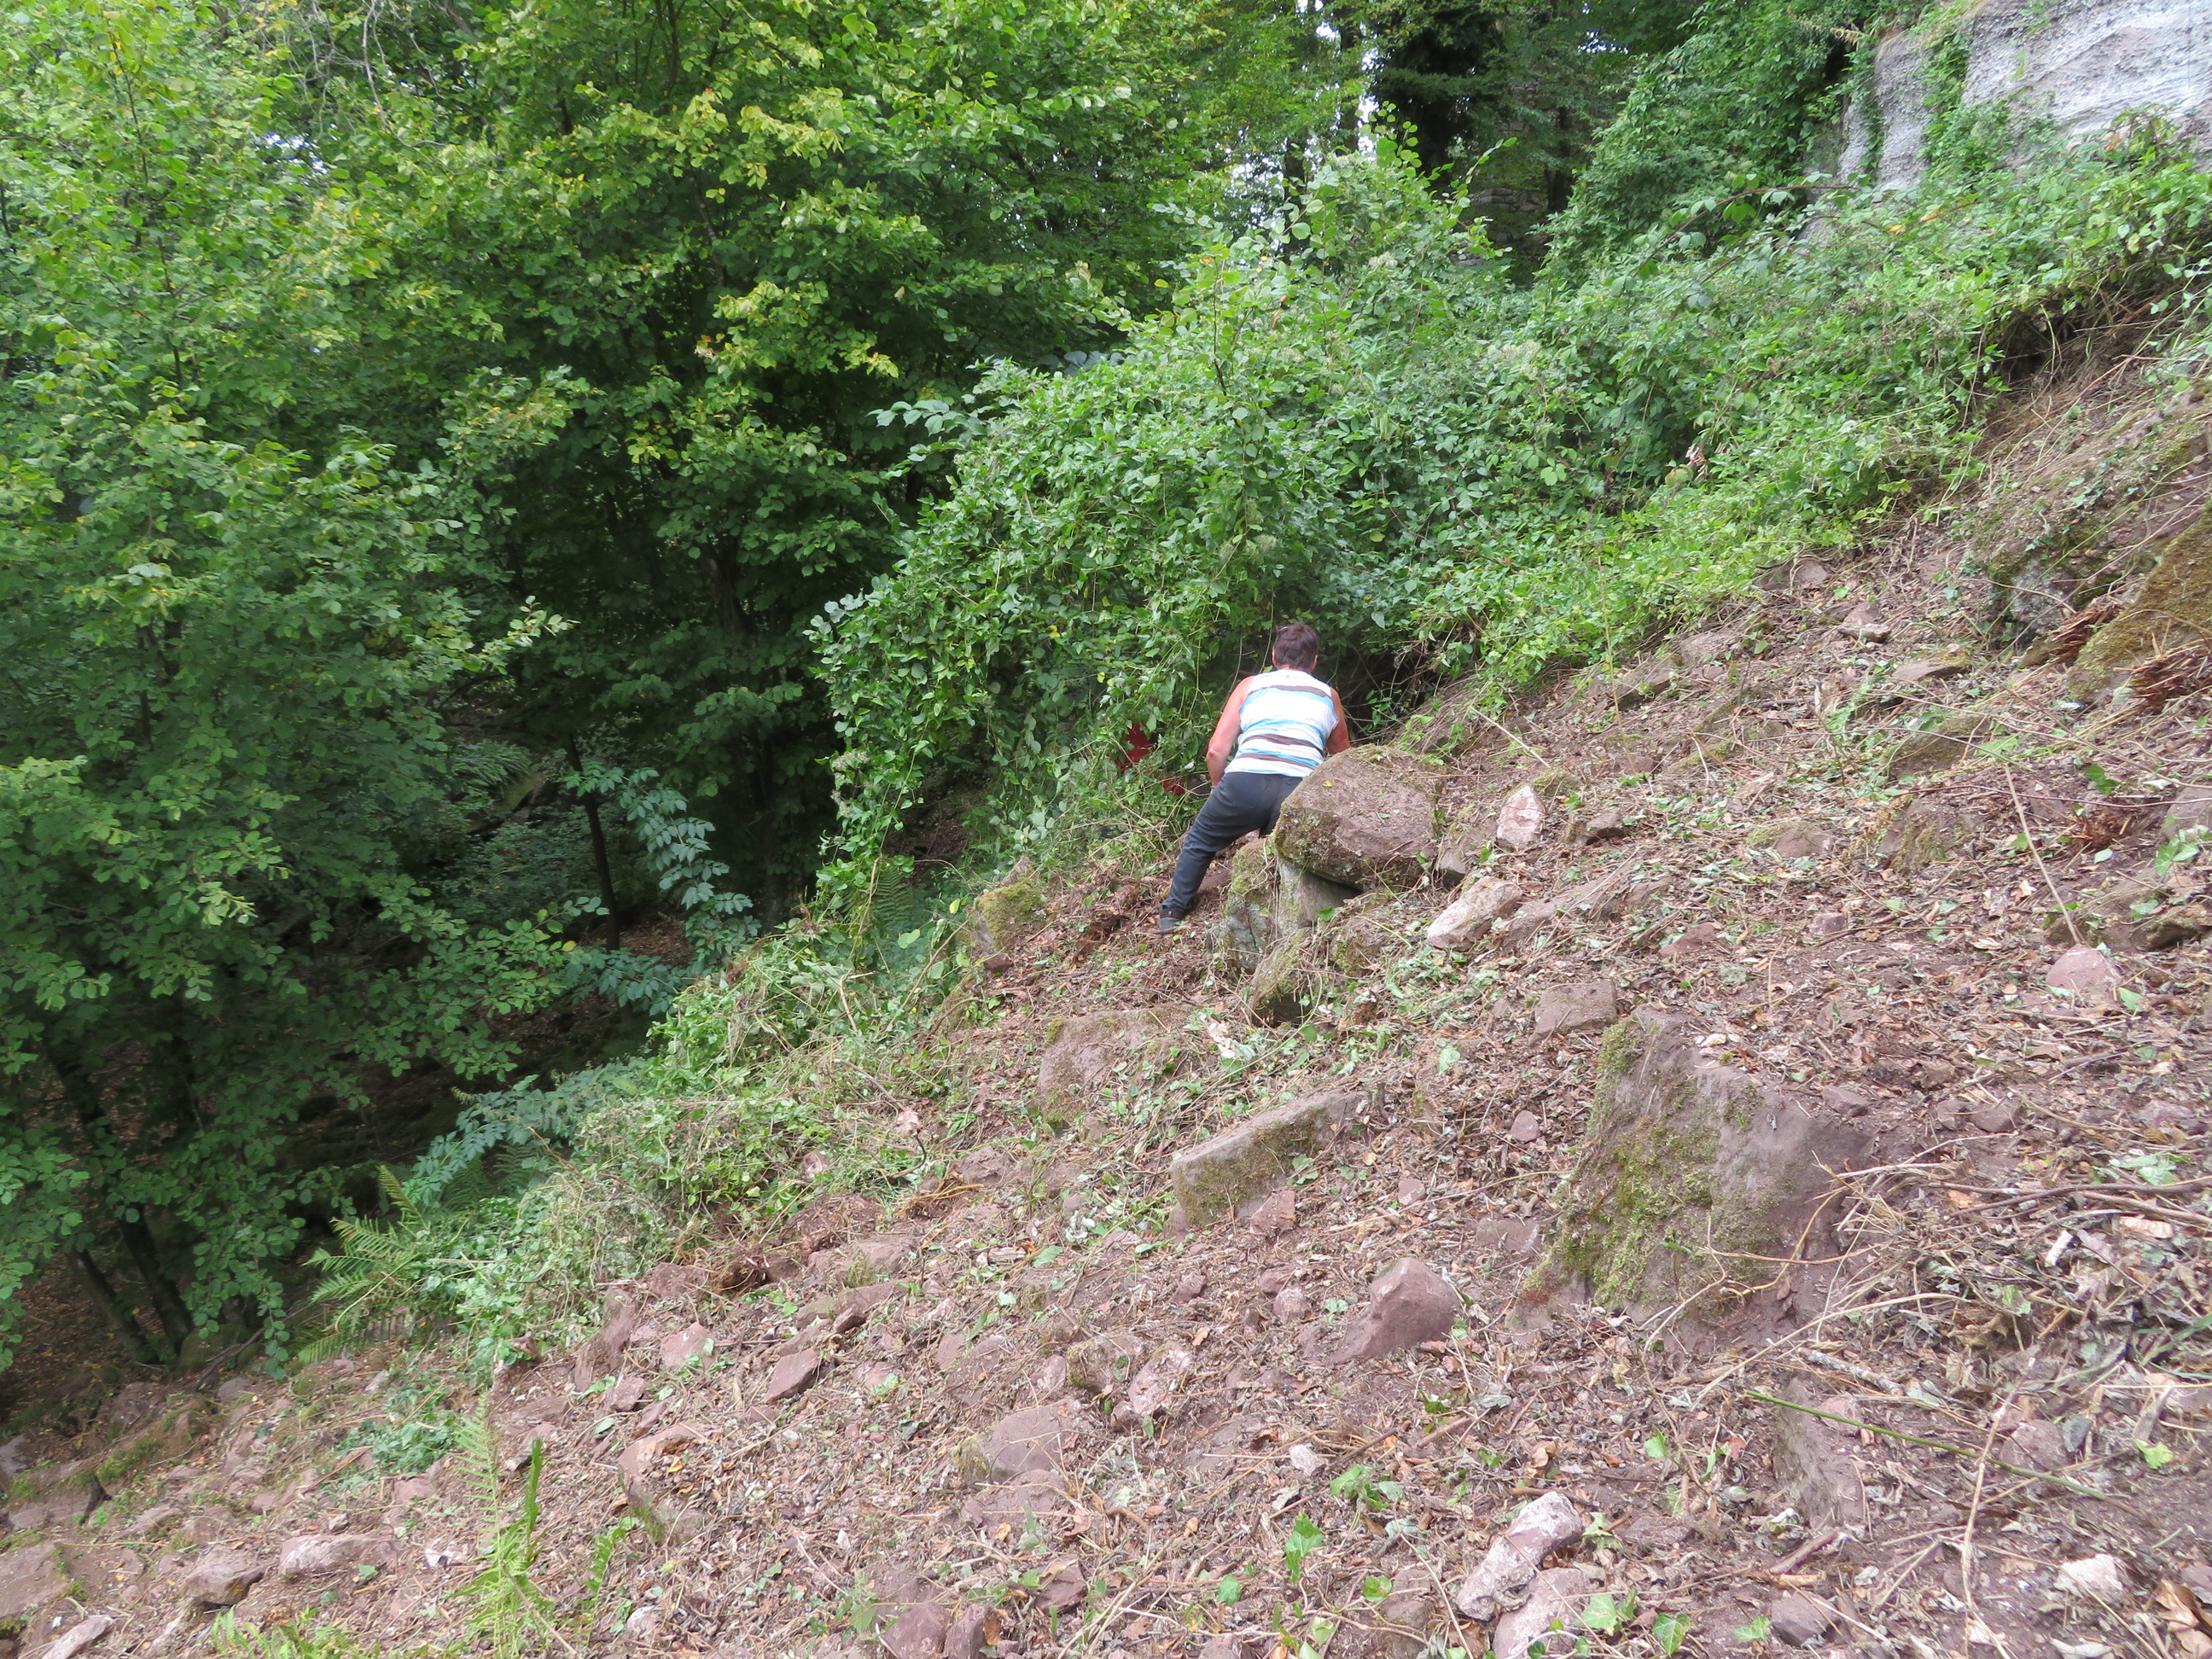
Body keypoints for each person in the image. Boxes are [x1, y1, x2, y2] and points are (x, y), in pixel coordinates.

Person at [1157, 621, 1350, 932]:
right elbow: (1343, 757)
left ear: (1274, 656)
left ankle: (1172, 912)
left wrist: (1220, 787)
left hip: (1245, 781)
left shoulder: (1251, 686)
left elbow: (1216, 751)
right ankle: (1279, 923)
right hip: (1300, 789)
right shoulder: (1329, 695)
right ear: (1314, 662)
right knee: (1277, 854)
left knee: (1200, 841)